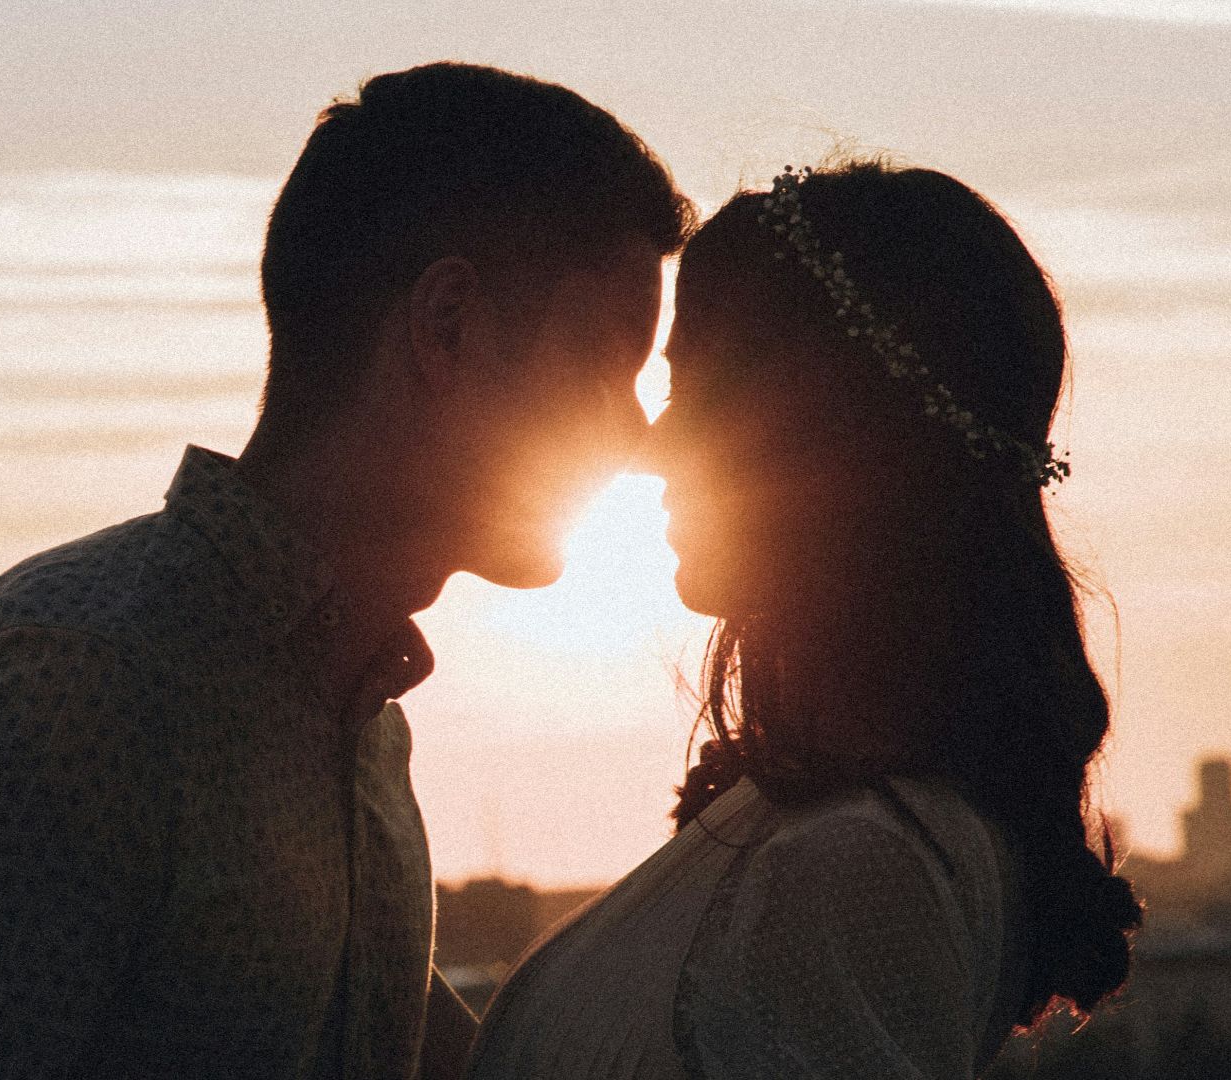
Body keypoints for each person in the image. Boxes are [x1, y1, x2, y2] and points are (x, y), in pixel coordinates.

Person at [0, 62, 694, 1080]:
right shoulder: (69, 694)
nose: (637, 436)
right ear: (447, 326)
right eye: (606, 364)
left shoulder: (359, 725)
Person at [464, 163, 1142, 1079]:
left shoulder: (853, 867)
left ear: (831, 432)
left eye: (694, 391)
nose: (650, 447)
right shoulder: (820, 826)